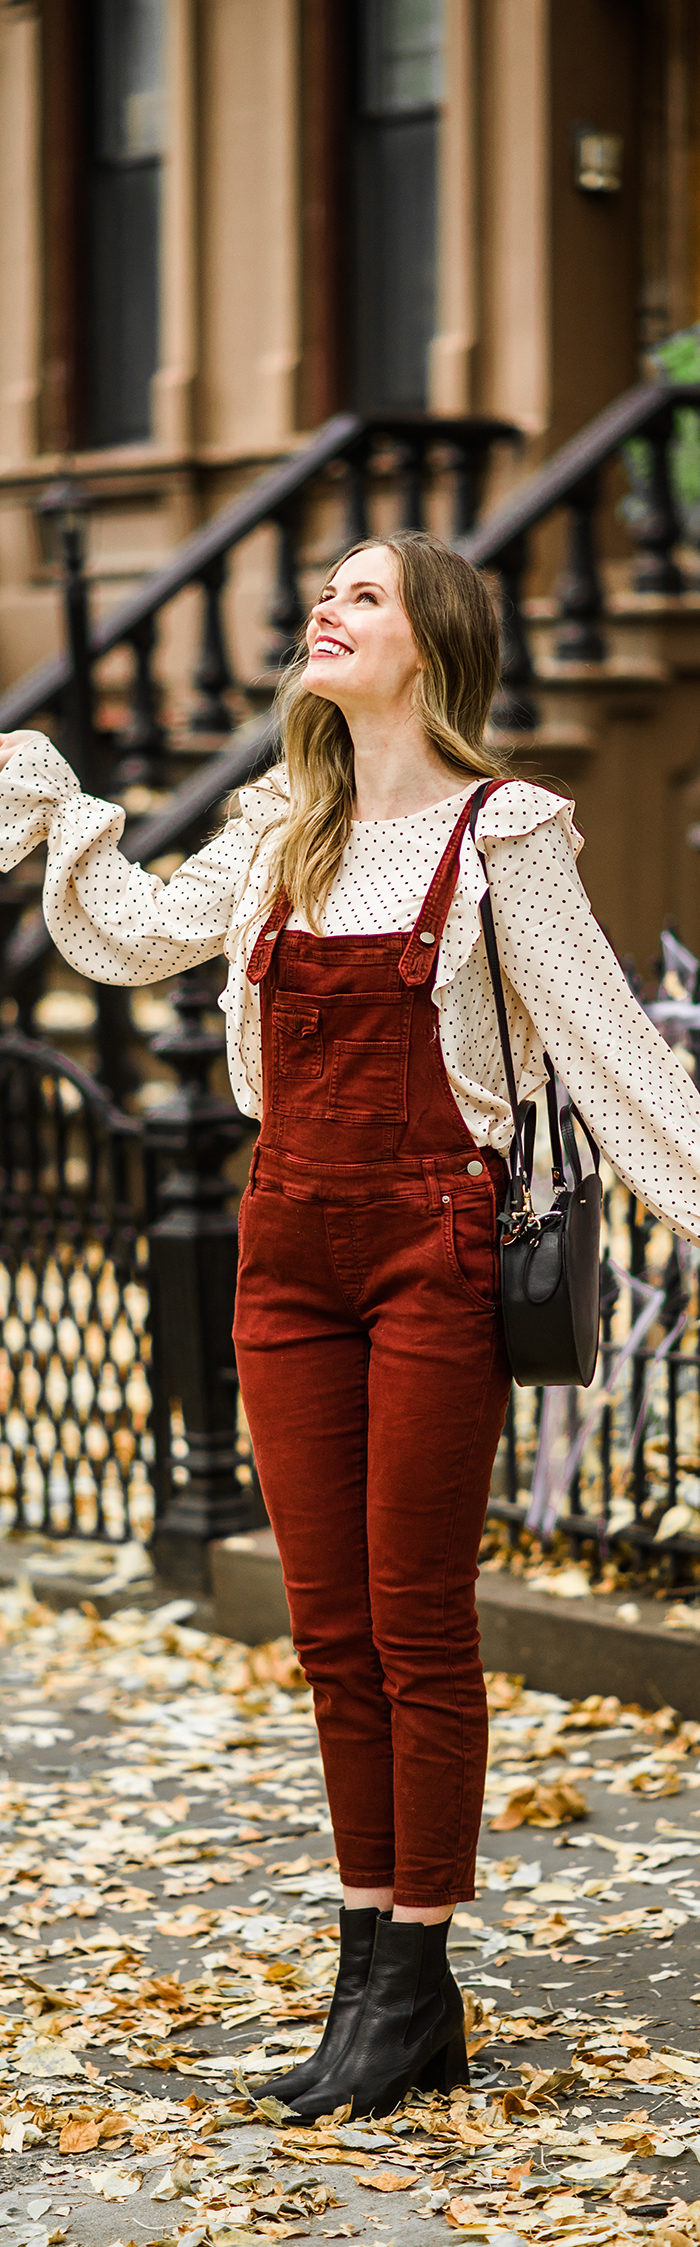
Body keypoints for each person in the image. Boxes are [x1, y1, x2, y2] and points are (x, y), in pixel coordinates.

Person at [1, 529, 700, 2122]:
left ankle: (415, 1977)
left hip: (432, 1252)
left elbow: (616, 1059)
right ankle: (369, 1977)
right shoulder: (280, 827)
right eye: (327, 587)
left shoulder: (502, 835)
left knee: (416, 1626)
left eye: (365, 593)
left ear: (434, 642)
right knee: (330, 1639)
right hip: (284, 1255)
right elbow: (129, 938)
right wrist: (55, 805)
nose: (328, 605)